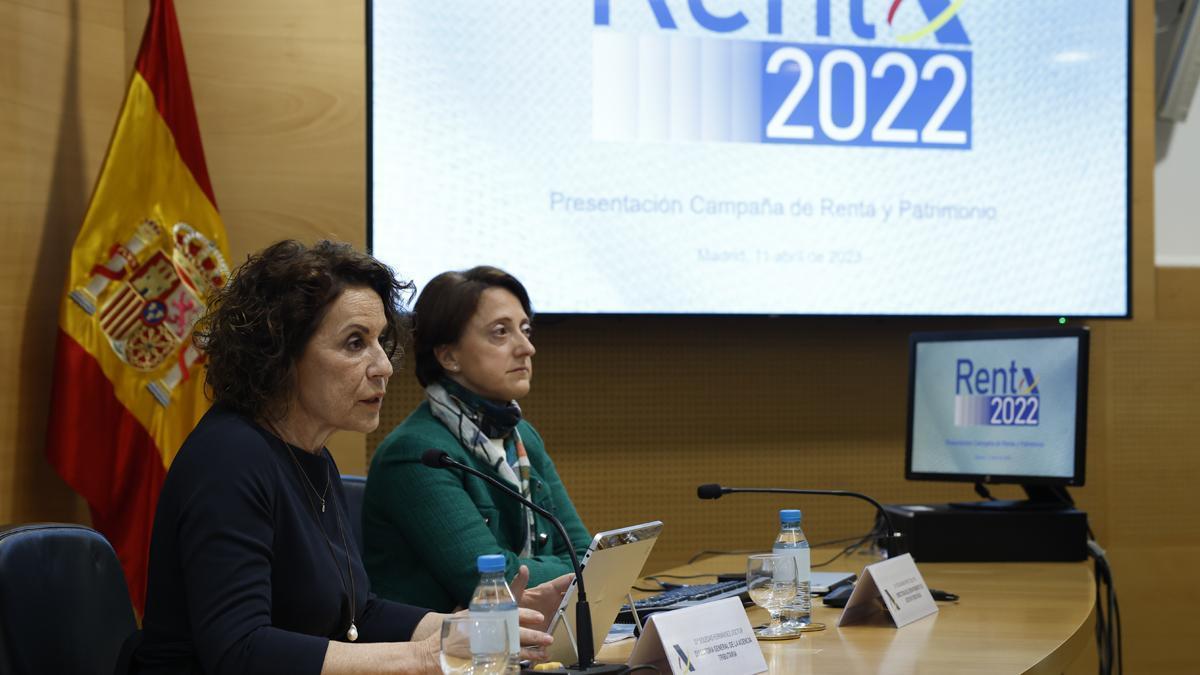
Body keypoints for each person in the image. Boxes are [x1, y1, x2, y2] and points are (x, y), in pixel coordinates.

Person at [134, 242, 568, 675]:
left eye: (380, 341)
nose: (384, 366)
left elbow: (360, 615)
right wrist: (425, 657)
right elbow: (241, 651)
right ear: (280, 353)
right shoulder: (228, 459)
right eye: (355, 343)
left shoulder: (313, 458)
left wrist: (462, 629)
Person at [364, 266, 591, 613]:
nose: (526, 348)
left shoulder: (521, 437)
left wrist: (549, 571)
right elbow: (489, 581)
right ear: (448, 355)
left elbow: (586, 556)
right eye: (501, 332)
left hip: (519, 638)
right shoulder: (416, 453)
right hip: (437, 656)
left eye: (525, 330)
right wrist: (566, 571)